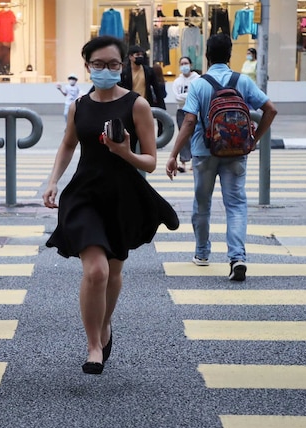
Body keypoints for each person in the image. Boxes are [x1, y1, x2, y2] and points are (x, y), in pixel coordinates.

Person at [43, 36, 179, 375]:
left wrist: (125, 153)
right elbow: (67, 144)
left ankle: (104, 326)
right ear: (87, 65)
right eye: (99, 64)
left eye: (113, 64)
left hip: (123, 197)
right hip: (84, 195)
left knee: (114, 271)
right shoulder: (80, 106)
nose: (106, 70)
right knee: (96, 271)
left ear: (124, 66)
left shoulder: (137, 105)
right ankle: (93, 346)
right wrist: (52, 181)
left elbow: (149, 162)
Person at [164, 34, 277, 282]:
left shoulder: (199, 84)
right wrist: (253, 140)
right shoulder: (243, 81)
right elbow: (271, 109)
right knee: (235, 205)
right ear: (229, 55)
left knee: (202, 203)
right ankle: (237, 257)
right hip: (236, 151)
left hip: (204, 152)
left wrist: (173, 154)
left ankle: (202, 253)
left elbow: (190, 121)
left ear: (206, 55)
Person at [172, 56, 200, 173]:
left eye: (186, 63)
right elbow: (177, 98)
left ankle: (195, 162)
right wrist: (190, 95)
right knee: (183, 136)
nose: (184, 66)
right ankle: (183, 162)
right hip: (181, 111)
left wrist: (187, 96)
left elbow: (198, 94)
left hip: (195, 110)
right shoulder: (177, 81)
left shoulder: (197, 79)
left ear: (191, 65)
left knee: (195, 136)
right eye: (182, 64)